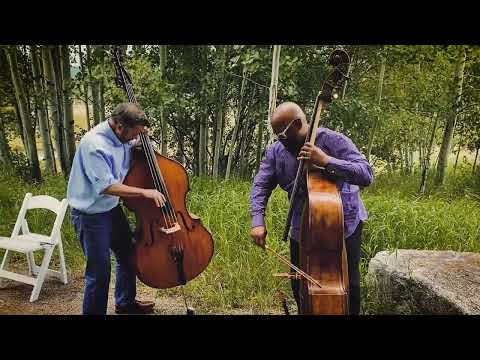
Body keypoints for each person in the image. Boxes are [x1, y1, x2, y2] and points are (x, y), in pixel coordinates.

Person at [250, 102, 373, 315]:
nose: (280, 140)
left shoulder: (334, 141)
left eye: (282, 134)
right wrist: (258, 221)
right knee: (300, 285)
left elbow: (366, 174)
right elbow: (261, 184)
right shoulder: (276, 152)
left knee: (348, 284)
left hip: (343, 222)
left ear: (298, 124)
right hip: (302, 225)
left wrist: (326, 161)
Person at [67, 102, 167, 315]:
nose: (134, 138)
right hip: (90, 214)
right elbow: (106, 186)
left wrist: (143, 139)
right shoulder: (94, 145)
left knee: (130, 253)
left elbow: (133, 142)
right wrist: (144, 193)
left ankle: (125, 303)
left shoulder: (124, 134)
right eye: (133, 134)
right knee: (100, 271)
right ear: (120, 126)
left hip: (111, 210)